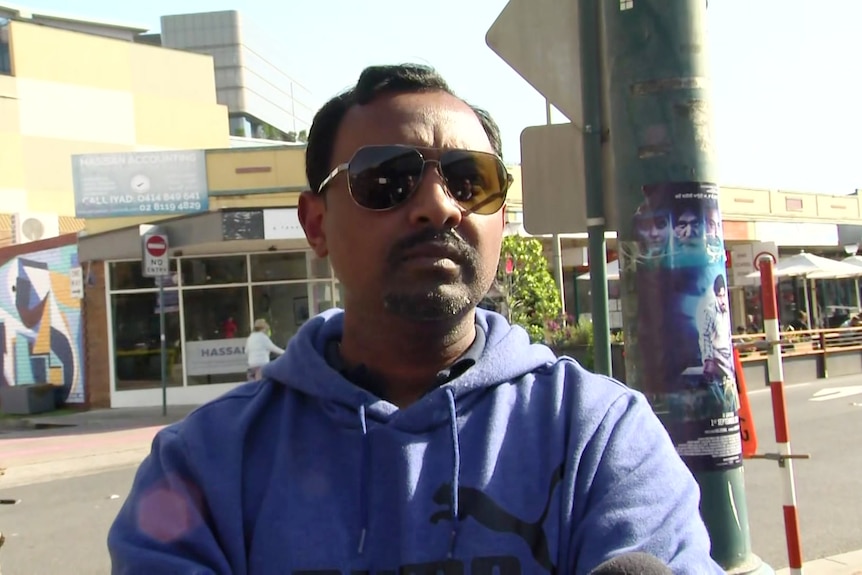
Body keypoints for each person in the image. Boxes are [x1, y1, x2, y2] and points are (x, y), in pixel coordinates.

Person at [108, 64, 724, 574]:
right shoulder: (204, 465)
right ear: (315, 223)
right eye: (387, 180)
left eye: (469, 181)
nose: (437, 206)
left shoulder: (600, 436)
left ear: (501, 219)